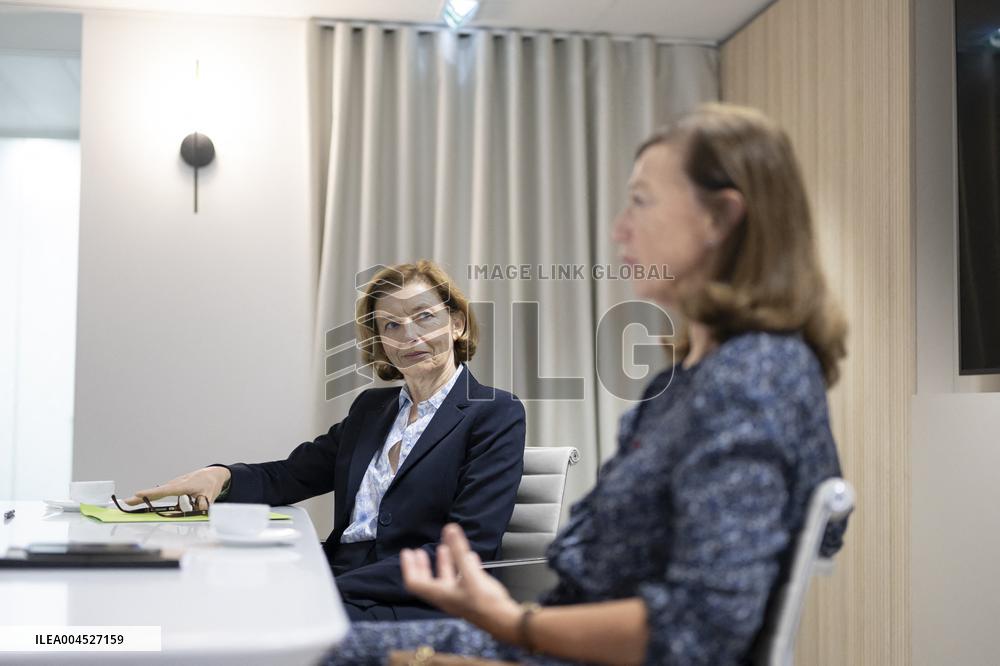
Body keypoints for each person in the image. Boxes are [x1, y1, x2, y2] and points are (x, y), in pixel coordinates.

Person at [328, 103, 849, 665]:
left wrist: (514, 623)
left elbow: (703, 627)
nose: (620, 229)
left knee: (303, 650)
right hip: (542, 642)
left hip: (555, 649)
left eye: (642, 201)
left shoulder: (753, 378)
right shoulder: (687, 381)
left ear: (720, 218)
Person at [123, 260, 526, 622]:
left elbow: (467, 549)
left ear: (456, 324)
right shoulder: (372, 409)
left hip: (414, 600)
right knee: (199, 595)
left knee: (250, 621)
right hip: (338, 579)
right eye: (391, 325)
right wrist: (220, 477)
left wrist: (323, 586)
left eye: (424, 317)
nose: (409, 336)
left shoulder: (495, 413)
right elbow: (291, 476)